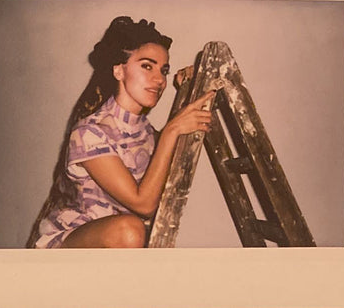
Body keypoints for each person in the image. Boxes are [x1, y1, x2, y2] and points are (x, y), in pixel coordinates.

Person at [26, 16, 215, 248]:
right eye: (147, 66)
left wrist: (188, 90)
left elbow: (157, 167)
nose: (159, 80)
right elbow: (143, 204)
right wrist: (172, 130)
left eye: (164, 70)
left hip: (119, 242)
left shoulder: (146, 132)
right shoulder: (89, 133)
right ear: (118, 71)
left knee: (134, 231)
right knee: (130, 230)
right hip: (68, 245)